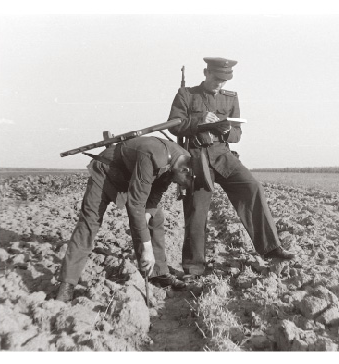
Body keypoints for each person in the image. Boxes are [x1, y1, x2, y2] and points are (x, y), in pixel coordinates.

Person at [168, 57, 296, 280]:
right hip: (197, 158)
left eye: (224, 80)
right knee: (196, 211)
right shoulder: (186, 95)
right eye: (216, 78)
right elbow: (174, 126)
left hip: (223, 155)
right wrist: (198, 119)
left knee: (252, 187)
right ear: (206, 72)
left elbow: (237, 134)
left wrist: (226, 130)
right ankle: (194, 268)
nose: (220, 84)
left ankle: (270, 248)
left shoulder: (231, 98)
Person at [56, 136, 193, 302]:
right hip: (107, 172)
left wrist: (146, 219)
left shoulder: (180, 162)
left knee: (155, 218)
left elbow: (154, 196)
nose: (182, 187)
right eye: (185, 183)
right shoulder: (153, 153)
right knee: (89, 223)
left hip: (134, 177)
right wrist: (147, 248)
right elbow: (136, 204)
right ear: (184, 171)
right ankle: (67, 283)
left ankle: (158, 273)